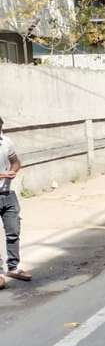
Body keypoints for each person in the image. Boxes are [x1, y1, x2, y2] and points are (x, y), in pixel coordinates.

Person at [0, 116, 32, 290]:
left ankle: (13, 267)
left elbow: (16, 162)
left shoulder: (6, 142)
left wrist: (13, 170)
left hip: (8, 195)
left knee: (13, 231)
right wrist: (3, 175)